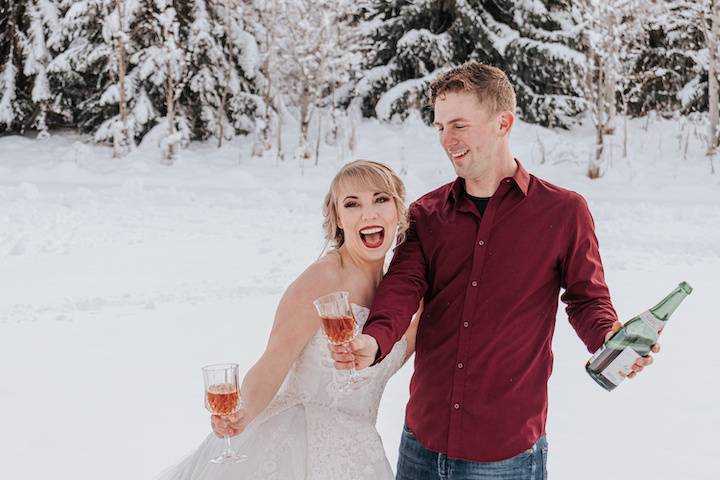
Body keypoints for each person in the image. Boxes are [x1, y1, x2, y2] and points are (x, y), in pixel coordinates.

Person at [331, 62, 659, 480]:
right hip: (422, 442)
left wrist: (609, 337)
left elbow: (585, 297)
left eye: (460, 125)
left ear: (503, 122)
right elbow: (401, 285)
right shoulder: (427, 215)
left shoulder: (563, 211)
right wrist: (375, 340)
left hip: (506, 454)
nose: (447, 140)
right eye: (440, 127)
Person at [157, 160, 419, 480]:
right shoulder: (323, 278)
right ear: (338, 218)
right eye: (352, 204)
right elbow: (274, 360)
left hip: (357, 458)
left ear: (398, 210)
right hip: (293, 448)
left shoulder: (407, 298)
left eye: (381, 199)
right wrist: (242, 413)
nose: (369, 213)